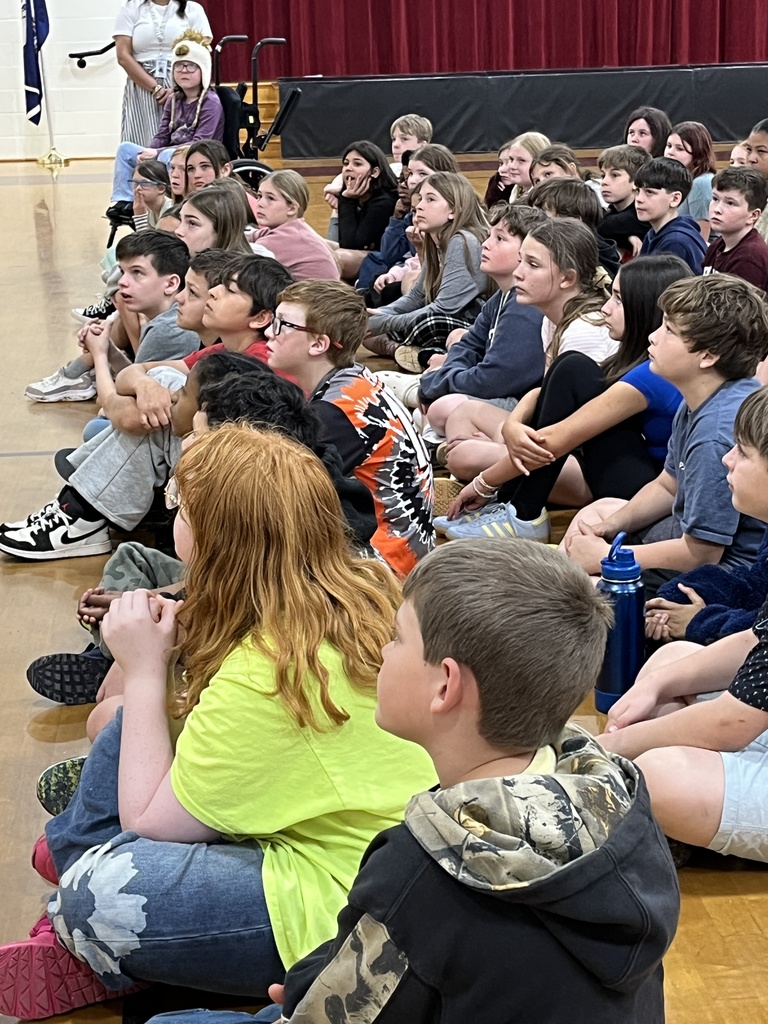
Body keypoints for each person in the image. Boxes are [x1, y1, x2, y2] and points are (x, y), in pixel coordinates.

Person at [0, 425, 437, 1020]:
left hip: (339, 907)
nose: (171, 515)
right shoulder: (359, 586)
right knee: (133, 724)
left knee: (103, 890)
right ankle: (81, 876)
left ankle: (81, 922)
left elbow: (148, 824)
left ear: (213, 538)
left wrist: (146, 665)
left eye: (180, 507)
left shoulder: (266, 666)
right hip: (372, 850)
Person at [151, 540, 680, 1024]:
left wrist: (304, 993)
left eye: (397, 638)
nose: (382, 651)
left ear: (445, 684)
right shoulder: (617, 798)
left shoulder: (422, 869)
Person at [0, 255, 294, 561]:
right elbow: (133, 373)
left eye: (229, 290)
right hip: (218, 460)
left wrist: (113, 365)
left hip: (245, 481)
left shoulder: (255, 361)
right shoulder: (222, 350)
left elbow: (130, 414)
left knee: (151, 414)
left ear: (260, 317)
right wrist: (145, 386)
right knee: (156, 387)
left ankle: (81, 510)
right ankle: (81, 503)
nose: (214, 293)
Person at [596, 388, 768, 865]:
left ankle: (699, 830)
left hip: (746, 721)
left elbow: (735, 721)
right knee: (669, 665)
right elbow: (757, 639)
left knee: (660, 773)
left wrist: (607, 748)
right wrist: (658, 685)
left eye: (744, 453)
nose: (727, 461)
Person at [441, 255, 692, 542]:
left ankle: (524, 513)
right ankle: (512, 505)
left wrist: (484, 483)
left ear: (644, 308)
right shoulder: (634, 359)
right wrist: (513, 423)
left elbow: (557, 437)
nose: (606, 308)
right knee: (569, 367)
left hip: (648, 496)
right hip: (627, 474)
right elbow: (544, 392)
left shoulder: (651, 375)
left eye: (619, 300)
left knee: (572, 368)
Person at [562, 275, 768, 589]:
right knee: (596, 516)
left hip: (725, 576)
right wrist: (610, 526)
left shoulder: (716, 431)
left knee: (591, 590)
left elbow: (703, 555)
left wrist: (609, 555)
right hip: (690, 540)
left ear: (708, 355)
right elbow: (668, 485)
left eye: (669, 330)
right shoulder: (700, 398)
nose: (653, 336)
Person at [266, 279, 434, 577]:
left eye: (282, 324)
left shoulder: (338, 413)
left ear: (319, 343)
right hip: (397, 546)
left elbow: (280, 489)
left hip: (382, 565)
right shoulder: (350, 382)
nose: (269, 332)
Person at [439, 218, 615, 484]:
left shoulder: (585, 332)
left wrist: (507, 448)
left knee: (465, 456)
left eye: (532, 265)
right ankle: (477, 482)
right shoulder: (550, 318)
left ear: (568, 278)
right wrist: (513, 428)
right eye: (521, 261)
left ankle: (486, 487)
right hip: (548, 439)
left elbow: (571, 432)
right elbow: (544, 398)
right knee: (463, 413)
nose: (518, 273)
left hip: (584, 462)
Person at [26, 231, 197, 404]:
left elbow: (118, 405)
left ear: (170, 284)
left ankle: (76, 378)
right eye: (123, 271)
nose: (122, 281)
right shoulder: (166, 319)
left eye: (137, 272)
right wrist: (109, 350)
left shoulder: (167, 330)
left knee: (95, 427)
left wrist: (99, 356)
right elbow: (133, 379)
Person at [366, 172, 488, 372]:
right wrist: (379, 314)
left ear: (453, 211)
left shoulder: (463, 240)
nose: (419, 206)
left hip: (471, 323)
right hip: (450, 318)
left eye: (430, 199)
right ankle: (409, 351)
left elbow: (442, 309)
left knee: (429, 322)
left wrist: (382, 322)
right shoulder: (434, 240)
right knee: (373, 334)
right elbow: (417, 295)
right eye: (420, 199)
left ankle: (428, 354)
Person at [107, 31, 224, 220]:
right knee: (125, 149)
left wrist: (158, 153)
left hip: (196, 154)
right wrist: (149, 154)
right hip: (167, 151)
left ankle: (169, 202)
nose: (184, 71)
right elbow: (162, 135)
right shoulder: (173, 100)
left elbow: (199, 143)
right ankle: (126, 200)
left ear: (203, 70)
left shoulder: (211, 102)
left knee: (171, 156)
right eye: (179, 66)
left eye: (191, 67)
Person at [358, 143, 460, 302]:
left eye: (422, 173)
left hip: (442, 287)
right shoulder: (414, 209)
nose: (413, 181)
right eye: (410, 173)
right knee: (376, 267)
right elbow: (389, 255)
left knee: (390, 287)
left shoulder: (454, 220)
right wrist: (397, 219)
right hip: (412, 268)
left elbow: (438, 268)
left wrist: (419, 250)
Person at [113, 0, 211, 147]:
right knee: (141, 144)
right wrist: (155, 88)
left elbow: (201, 53)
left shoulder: (193, 9)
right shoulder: (131, 7)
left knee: (177, 142)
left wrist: (179, 89)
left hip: (181, 83)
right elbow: (123, 56)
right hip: (142, 84)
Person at [246, 170, 340, 280]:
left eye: (270, 198)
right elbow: (250, 236)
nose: (260, 203)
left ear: (292, 208)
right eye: (259, 196)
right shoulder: (293, 228)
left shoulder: (281, 239)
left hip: (315, 296)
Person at [332, 141, 399, 280]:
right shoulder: (359, 195)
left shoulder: (384, 202)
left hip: (384, 260)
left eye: (357, 164)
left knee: (338, 256)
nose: (348, 168)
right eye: (346, 163)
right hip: (361, 253)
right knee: (318, 244)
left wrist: (346, 200)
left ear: (375, 172)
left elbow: (350, 245)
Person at [635, 157, 707, 273]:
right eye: (637, 191)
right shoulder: (653, 233)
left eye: (649, 192)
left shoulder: (676, 243)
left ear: (675, 198)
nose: (639, 199)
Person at [702, 167, 768, 290]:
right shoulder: (718, 245)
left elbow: (737, 308)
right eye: (715, 199)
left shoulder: (750, 258)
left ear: (753, 215)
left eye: (730, 203)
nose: (717, 209)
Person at [664, 121, 717, 241]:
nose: (670, 152)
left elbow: (701, 236)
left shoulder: (701, 183)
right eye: (668, 145)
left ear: (698, 153)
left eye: (680, 148)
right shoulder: (679, 179)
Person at [597, 144, 652, 258]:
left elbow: (603, 227)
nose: (604, 182)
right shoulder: (613, 212)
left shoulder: (641, 215)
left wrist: (622, 237)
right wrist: (627, 237)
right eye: (603, 176)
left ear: (636, 182)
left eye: (615, 175)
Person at [175, 182, 253, 255]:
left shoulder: (244, 268)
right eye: (180, 220)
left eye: (192, 223)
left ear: (222, 231)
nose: (178, 231)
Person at [483, 131, 550, 207]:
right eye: (511, 159)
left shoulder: (546, 201)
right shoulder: (511, 189)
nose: (512, 166)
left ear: (541, 162)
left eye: (521, 160)